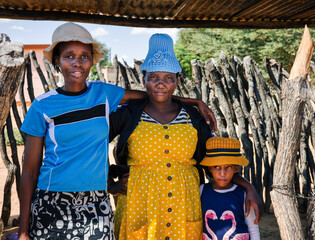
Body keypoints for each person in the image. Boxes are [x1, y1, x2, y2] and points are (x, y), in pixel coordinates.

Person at [18, 22, 215, 240]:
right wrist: (23, 231)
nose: (77, 62)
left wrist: (194, 102)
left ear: (92, 60)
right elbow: (29, 171)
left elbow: (154, 95)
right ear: (57, 60)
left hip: (96, 202)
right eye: (69, 56)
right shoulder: (43, 105)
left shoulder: (103, 94)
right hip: (52, 199)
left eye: (84, 56)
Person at [108, 33, 263, 240]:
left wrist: (247, 185)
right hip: (140, 200)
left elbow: (215, 158)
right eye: (153, 77)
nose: (161, 84)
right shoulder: (129, 113)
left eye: (168, 78)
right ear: (143, 79)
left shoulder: (193, 117)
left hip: (185, 201)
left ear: (177, 81)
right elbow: (93, 142)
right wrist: (108, 182)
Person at [200, 137, 260, 240]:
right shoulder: (201, 191)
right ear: (209, 168)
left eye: (228, 167)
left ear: (236, 168)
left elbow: (253, 228)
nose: (222, 173)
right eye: (216, 167)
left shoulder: (243, 194)